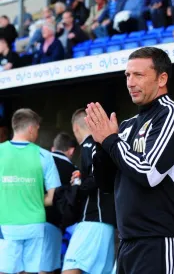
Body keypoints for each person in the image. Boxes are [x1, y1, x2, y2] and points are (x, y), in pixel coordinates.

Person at [85, 47, 174, 273]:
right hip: (127, 241)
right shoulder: (126, 125)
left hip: (161, 240)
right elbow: (105, 184)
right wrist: (102, 144)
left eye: (139, 75)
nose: (130, 82)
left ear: (162, 78)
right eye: (127, 75)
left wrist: (111, 140)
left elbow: (149, 173)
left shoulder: (171, 115)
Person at [0, 108, 61, 274]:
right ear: (31, 128)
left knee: (5, 271)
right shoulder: (45, 156)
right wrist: (31, 199)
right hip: (35, 223)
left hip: (6, 224)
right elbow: (53, 196)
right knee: (31, 271)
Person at [61, 109, 116, 274]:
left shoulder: (88, 145)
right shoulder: (105, 146)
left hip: (92, 220)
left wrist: (78, 183)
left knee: (70, 269)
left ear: (76, 127)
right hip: (107, 223)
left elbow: (96, 178)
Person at [39, 132, 78, 274]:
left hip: (25, 221)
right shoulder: (73, 172)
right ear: (72, 150)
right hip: (52, 225)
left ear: (53, 148)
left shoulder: (38, 160)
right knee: (44, 269)